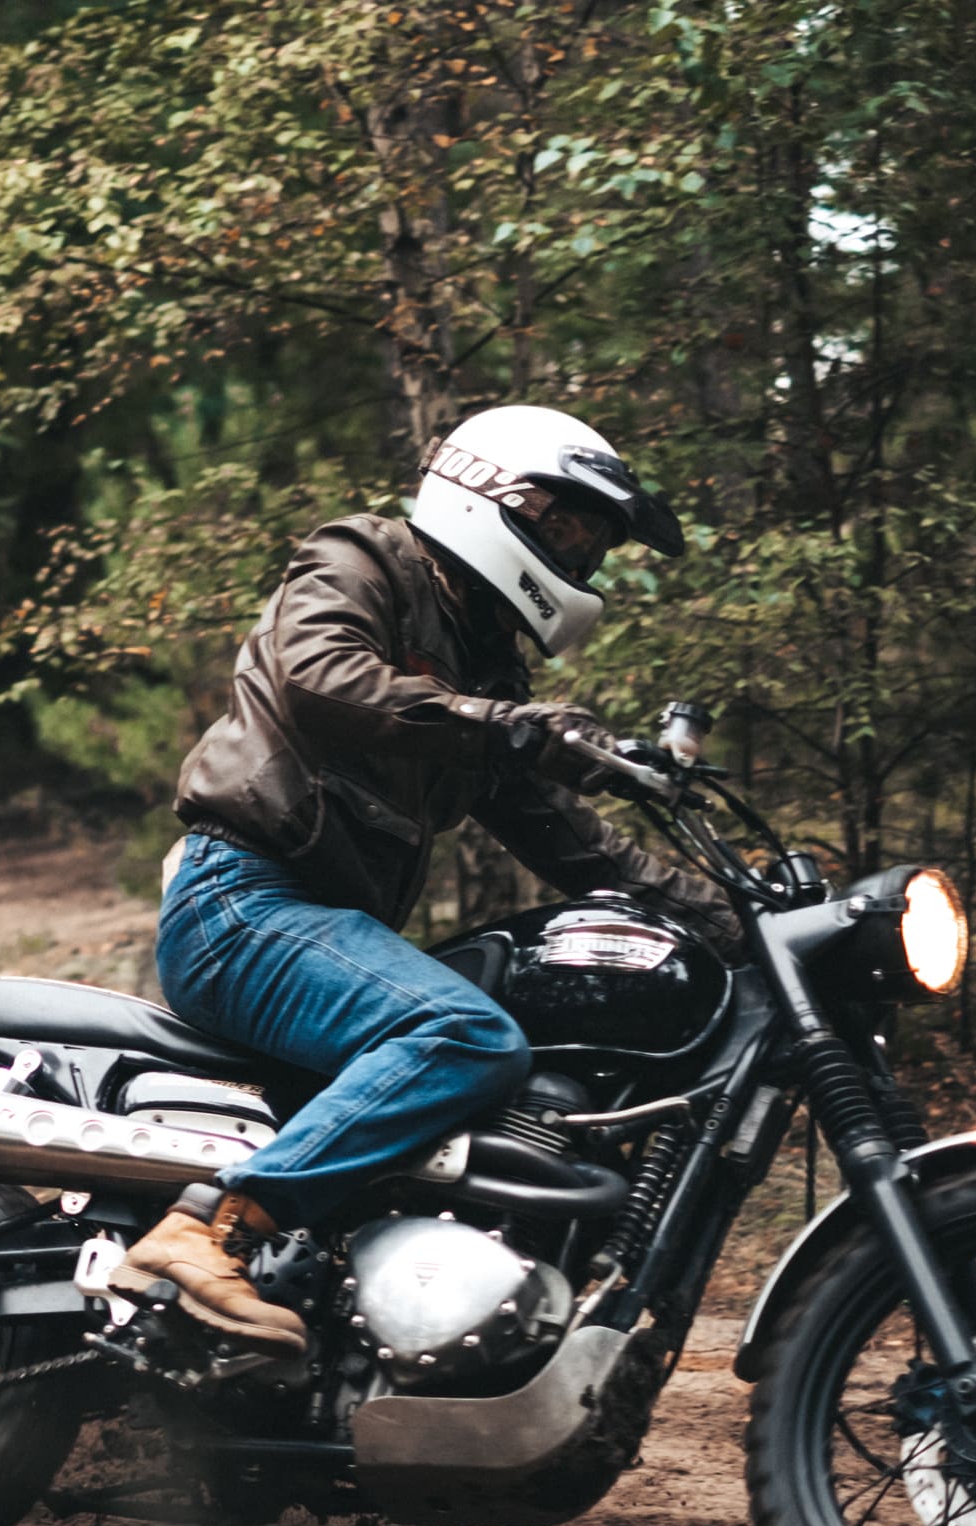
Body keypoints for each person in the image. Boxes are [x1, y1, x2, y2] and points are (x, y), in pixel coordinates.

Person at [108, 405, 733, 1350]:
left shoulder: (487, 663)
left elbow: (568, 838)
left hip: (312, 921)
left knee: (524, 1042)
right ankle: (205, 1234)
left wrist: (735, 915)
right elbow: (323, 675)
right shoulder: (362, 558)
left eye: (591, 542)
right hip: (240, 898)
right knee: (464, 1035)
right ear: (495, 493)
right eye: (567, 527)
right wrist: (502, 724)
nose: (580, 554)